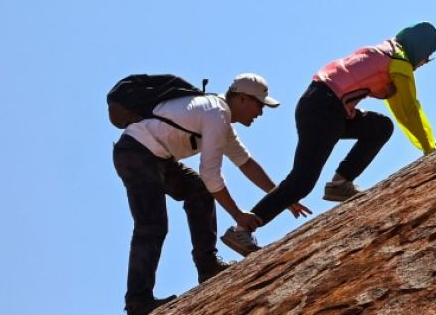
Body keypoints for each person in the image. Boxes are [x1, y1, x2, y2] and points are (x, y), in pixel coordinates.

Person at [221, 24, 436, 256]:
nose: (422, 65)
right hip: (325, 108)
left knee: (379, 126)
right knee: (302, 181)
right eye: (425, 60)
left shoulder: (386, 50)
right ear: (420, 51)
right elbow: (407, 109)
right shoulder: (400, 62)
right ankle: (242, 229)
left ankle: (340, 184)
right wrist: (429, 148)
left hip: (320, 103)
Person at [113, 74, 307, 315]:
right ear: (243, 99)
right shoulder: (216, 113)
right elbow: (211, 174)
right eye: (260, 105)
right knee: (152, 225)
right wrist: (238, 215)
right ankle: (138, 302)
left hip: (155, 157)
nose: (260, 112)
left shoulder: (219, 116)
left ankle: (207, 266)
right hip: (137, 154)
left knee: (198, 190)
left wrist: (282, 196)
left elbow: (245, 162)